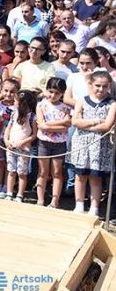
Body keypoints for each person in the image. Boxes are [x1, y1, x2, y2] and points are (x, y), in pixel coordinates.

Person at [68, 71, 116, 215]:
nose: (101, 89)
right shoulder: (82, 100)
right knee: (80, 175)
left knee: (95, 177)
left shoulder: (112, 103)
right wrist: (95, 122)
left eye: (104, 86)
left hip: (100, 145)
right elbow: (75, 121)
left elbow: (107, 125)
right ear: (91, 84)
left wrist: (86, 126)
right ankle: (79, 204)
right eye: (98, 86)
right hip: (81, 143)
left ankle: (94, 207)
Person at [36, 78, 71, 209]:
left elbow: (66, 127)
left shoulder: (65, 108)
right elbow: (41, 125)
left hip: (59, 143)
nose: (53, 95)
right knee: (43, 171)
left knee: (57, 171)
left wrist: (48, 125)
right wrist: (60, 124)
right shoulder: (41, 105)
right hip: (44, 143)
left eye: (57, 93)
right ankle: (40, 199)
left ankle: (55, 201)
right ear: (46, 90)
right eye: (51, 92)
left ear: (62, 94)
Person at [2, 90, 38, 202]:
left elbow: (34, 135)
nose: (14, 103)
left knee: (22, 173)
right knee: (11, 171)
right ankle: (9, 193)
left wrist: (23, 142)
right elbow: (8, 128)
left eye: (16, 101)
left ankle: (20, 194)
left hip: (24, 149)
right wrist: (6, 140)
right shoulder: (14, 114)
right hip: (11, 147)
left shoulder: (32, 117)